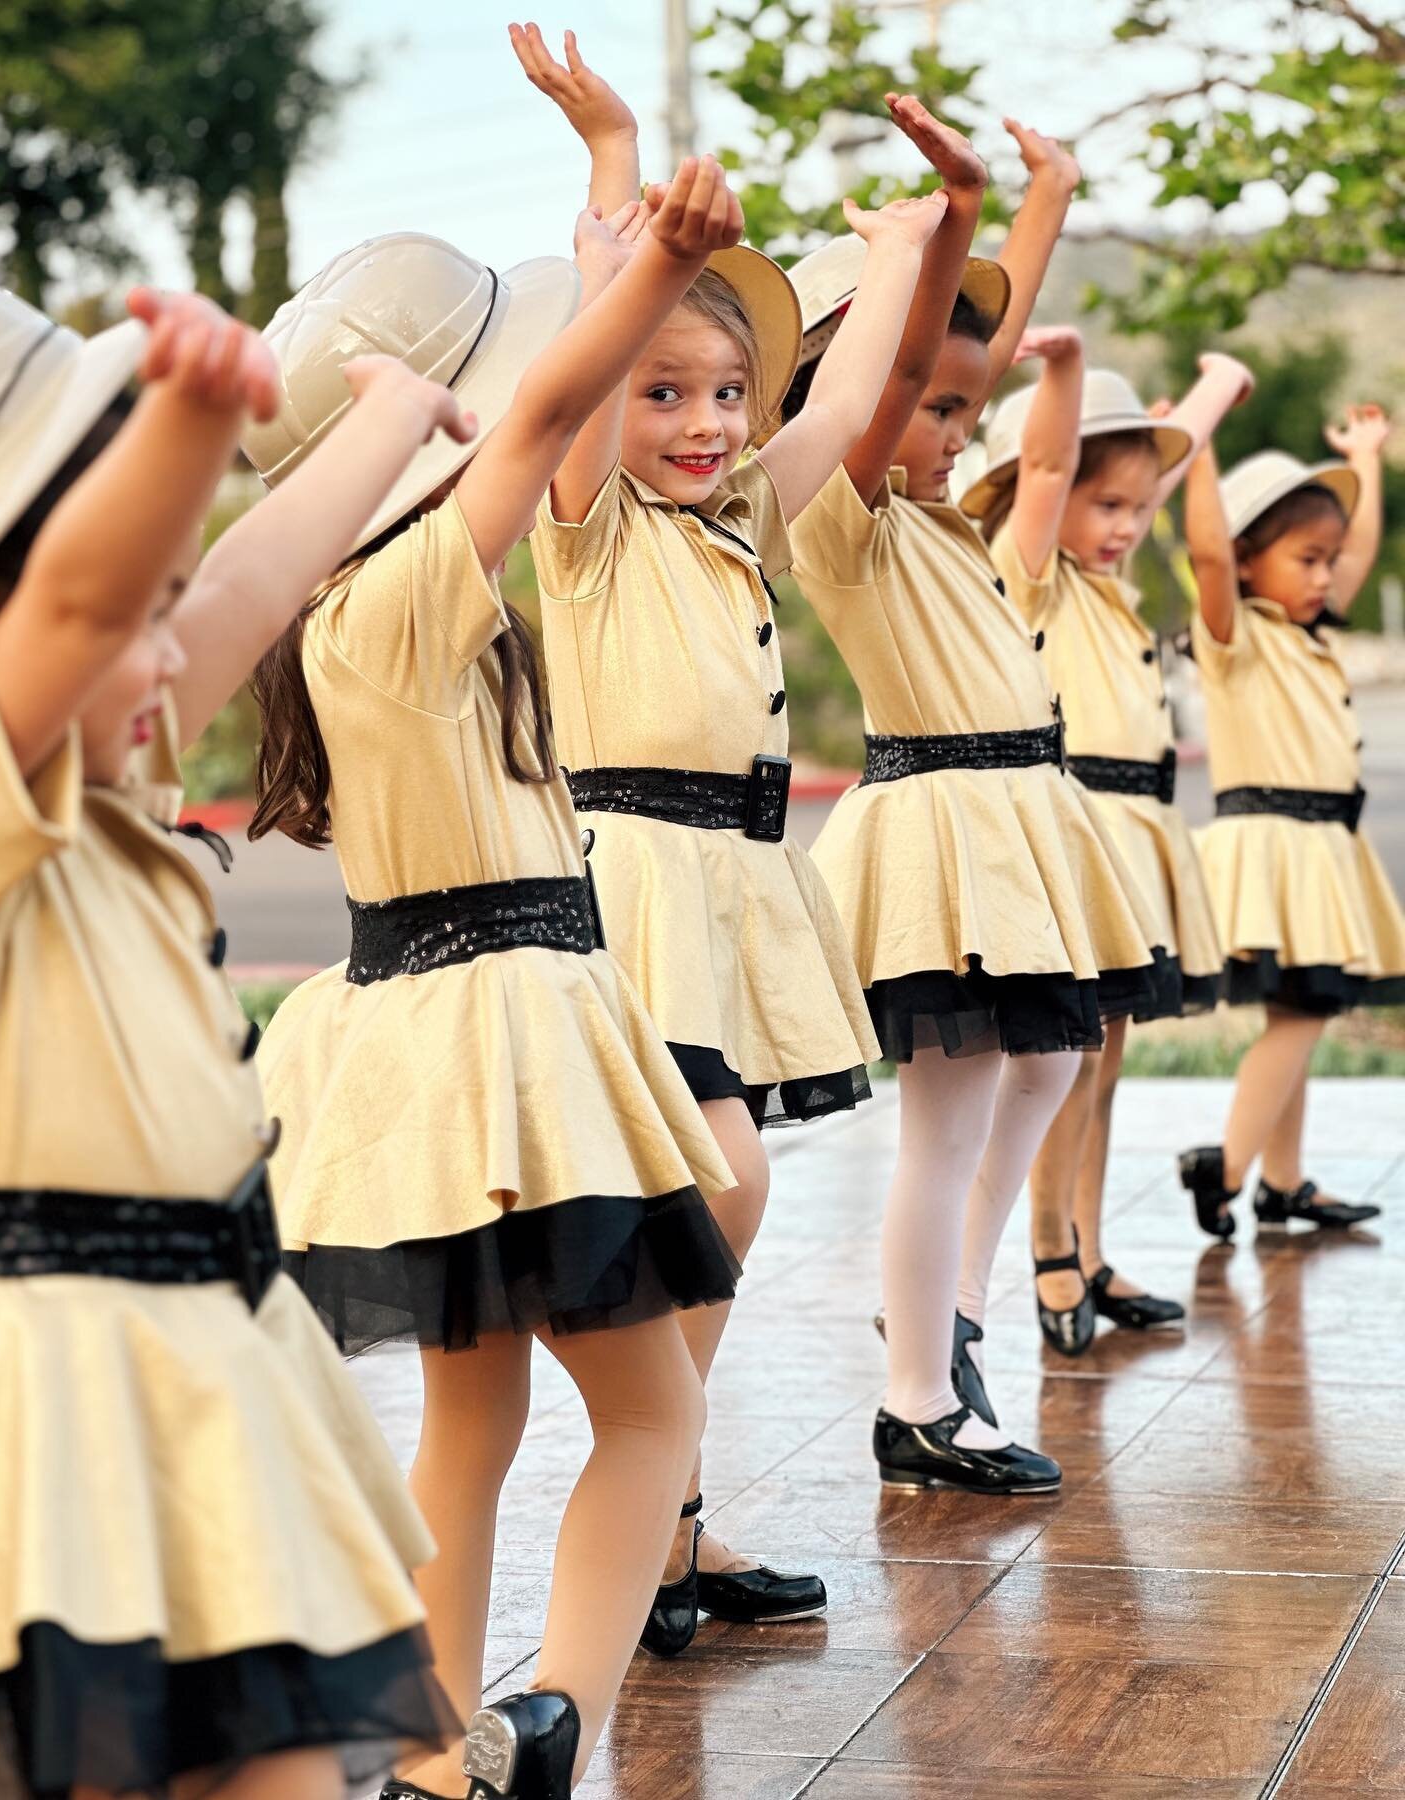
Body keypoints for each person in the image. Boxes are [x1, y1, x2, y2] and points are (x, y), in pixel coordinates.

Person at [245, 162, 751, 1800]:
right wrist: (646, 270)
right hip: (508, 1027)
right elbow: (537, 432)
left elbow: (542, 443)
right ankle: (547, 1727)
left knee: (473, 1430)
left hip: (431, 1038)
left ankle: (436, 1747)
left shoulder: (340, 611)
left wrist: (613, 262)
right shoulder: (396, 599)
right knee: (653, 1416)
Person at [0, 279, 471, 1799]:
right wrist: (189, 415)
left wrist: (383, 418)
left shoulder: (104, 789)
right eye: (146, 608)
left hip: (207, 1358)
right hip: (52, 1389)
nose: (177, 648)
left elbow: (247, 574)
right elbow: (80, 609)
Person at [515, 24, 945, 1651]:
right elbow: (573, 376)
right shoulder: (589, 534)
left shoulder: (740, 520)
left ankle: (671, 1519)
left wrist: (902, 249)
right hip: (632, 877)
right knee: (728, 1173)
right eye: (664, 393)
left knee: (728, 1194)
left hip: (735, 885)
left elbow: (839, 411)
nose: (702, 425)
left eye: (723, 396)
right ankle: (654, 1500)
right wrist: (615, 177)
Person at [787, 99, 1165, 1494]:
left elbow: (972, 362)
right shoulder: (847, 506)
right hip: (945, 821)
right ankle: (915, 1397)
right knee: (946, 1120)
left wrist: (1041, 196)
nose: (955, 427)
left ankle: (949, 1317)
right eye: (932, 408)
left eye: (963, 411)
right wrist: (948, 213)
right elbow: (890, 386)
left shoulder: (941, 521)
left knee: (1050, 1063)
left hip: (1014, 813)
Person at [962, 343, 1253, 1350]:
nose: (1128, 526)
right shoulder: (1031, 574)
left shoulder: (1108, 585)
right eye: (1108, 508)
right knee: (1066, 1059)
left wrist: (1211, 394)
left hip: (1133, 839)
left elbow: (1148, 477)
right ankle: (1048, 1251)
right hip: (1079, 832)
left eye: (1138, 510)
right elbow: (1048, 478)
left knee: (1107, 1062)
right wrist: (1068, 388)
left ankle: (1083, 1244)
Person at [1178, 414, 1405, 1237]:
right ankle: (1228, 1167)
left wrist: (1365, 464)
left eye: (1326, 562)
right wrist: (1198, 445)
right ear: (1245, 559)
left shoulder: (1308, 634)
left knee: (1298, 1014)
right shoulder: (1233, 635)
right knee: (1308, 1010)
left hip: (1318, 850)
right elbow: (1204, 549)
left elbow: (1360, 550)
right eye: (1305, 560)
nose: (1325, 577)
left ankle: (1284, 1180)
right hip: (1276, 846)